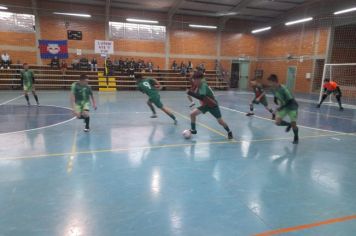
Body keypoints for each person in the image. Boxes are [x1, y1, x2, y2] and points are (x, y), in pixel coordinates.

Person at [187, 71, 233, 139]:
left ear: (199, 79)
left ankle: (229, 131)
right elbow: (195, 91)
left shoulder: (203, 85)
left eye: (195, 80)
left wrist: (190, 93)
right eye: (193, 79)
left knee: (220, 121)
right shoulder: (198, 84)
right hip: (205, 105)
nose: (194, 81)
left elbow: (201, 97)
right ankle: (193, 130)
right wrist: (190, 92)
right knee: (192, 114)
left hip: (212, 105)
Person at [267, 74, 299, 144]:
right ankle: (289, 124)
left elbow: (290, 100)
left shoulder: (284, 89)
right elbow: (275, 95)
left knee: (294, 124)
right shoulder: (272, 89)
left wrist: (280, 107)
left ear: (274, 82)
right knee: (277, 122)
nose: (269, 84)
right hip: (284, 106)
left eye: (270, 82)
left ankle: (296, 138)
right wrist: (275, 99)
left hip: (292, 106)